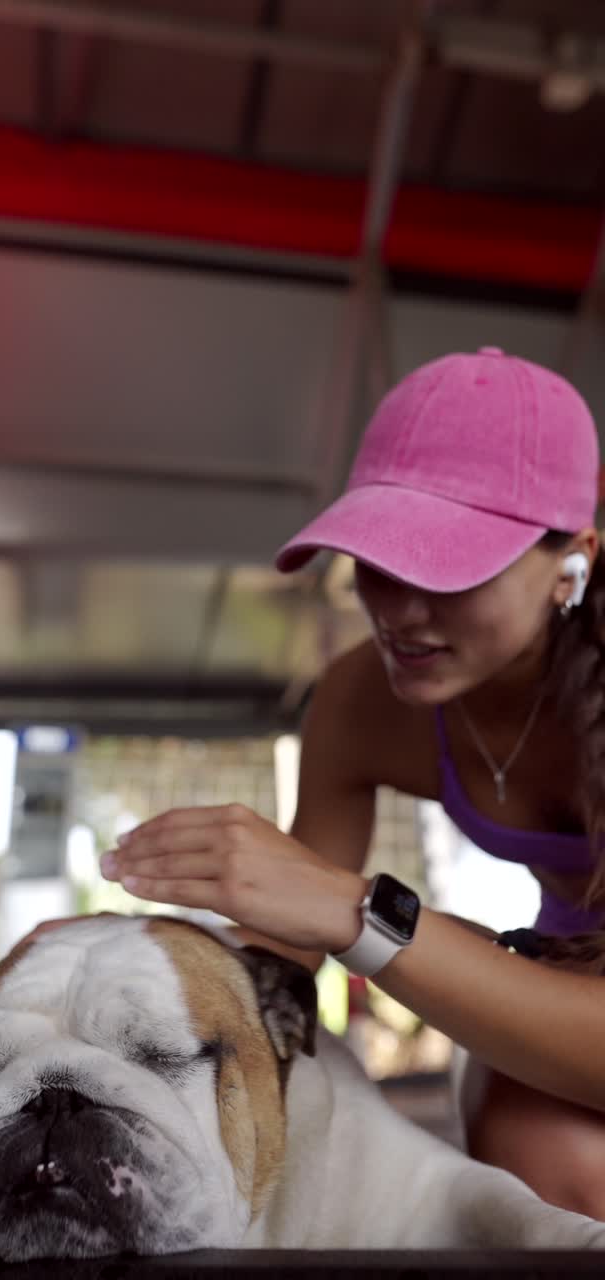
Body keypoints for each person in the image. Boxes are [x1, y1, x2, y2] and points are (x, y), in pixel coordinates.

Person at [99, 346, 605, 1217]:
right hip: (564, 964)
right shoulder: (361, 700)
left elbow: (329, 907)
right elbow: (286, 953)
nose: (399, 611)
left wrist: (356, 911)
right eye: (379, 557)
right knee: (535, 1149)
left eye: (449, 565)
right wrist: (126, 973)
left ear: (575, 562)